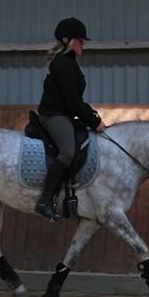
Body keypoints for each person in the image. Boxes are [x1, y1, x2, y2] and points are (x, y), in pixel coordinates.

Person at [35, 17, 107, 221]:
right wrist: (94, 121)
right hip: (53, 115)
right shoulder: (62, 64)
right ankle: (45, 201)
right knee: (67, 152)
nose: (82, 44)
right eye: (80, 40)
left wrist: (90, 114)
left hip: (64, 113)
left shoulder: (70, 63)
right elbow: (72, 101)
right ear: (67, 40)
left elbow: (76, 101)